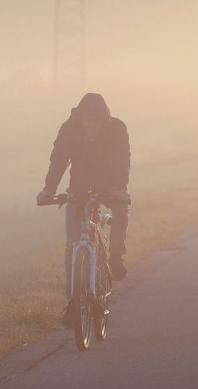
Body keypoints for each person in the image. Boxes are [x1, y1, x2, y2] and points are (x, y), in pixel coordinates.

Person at [37, 93, 130, 324]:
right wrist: (49, 189)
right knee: (73, 243)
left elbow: (122, 160)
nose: (92, 128)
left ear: (104, 121)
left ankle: (116, 256)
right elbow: (58, 160)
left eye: (96, 123)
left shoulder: (117, 129)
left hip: (110, 184)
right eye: (88, 123)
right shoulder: (69, 129)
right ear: (80, 120)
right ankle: (73, 301)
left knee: (120, 210)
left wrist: (119, 188)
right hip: (78, 186)